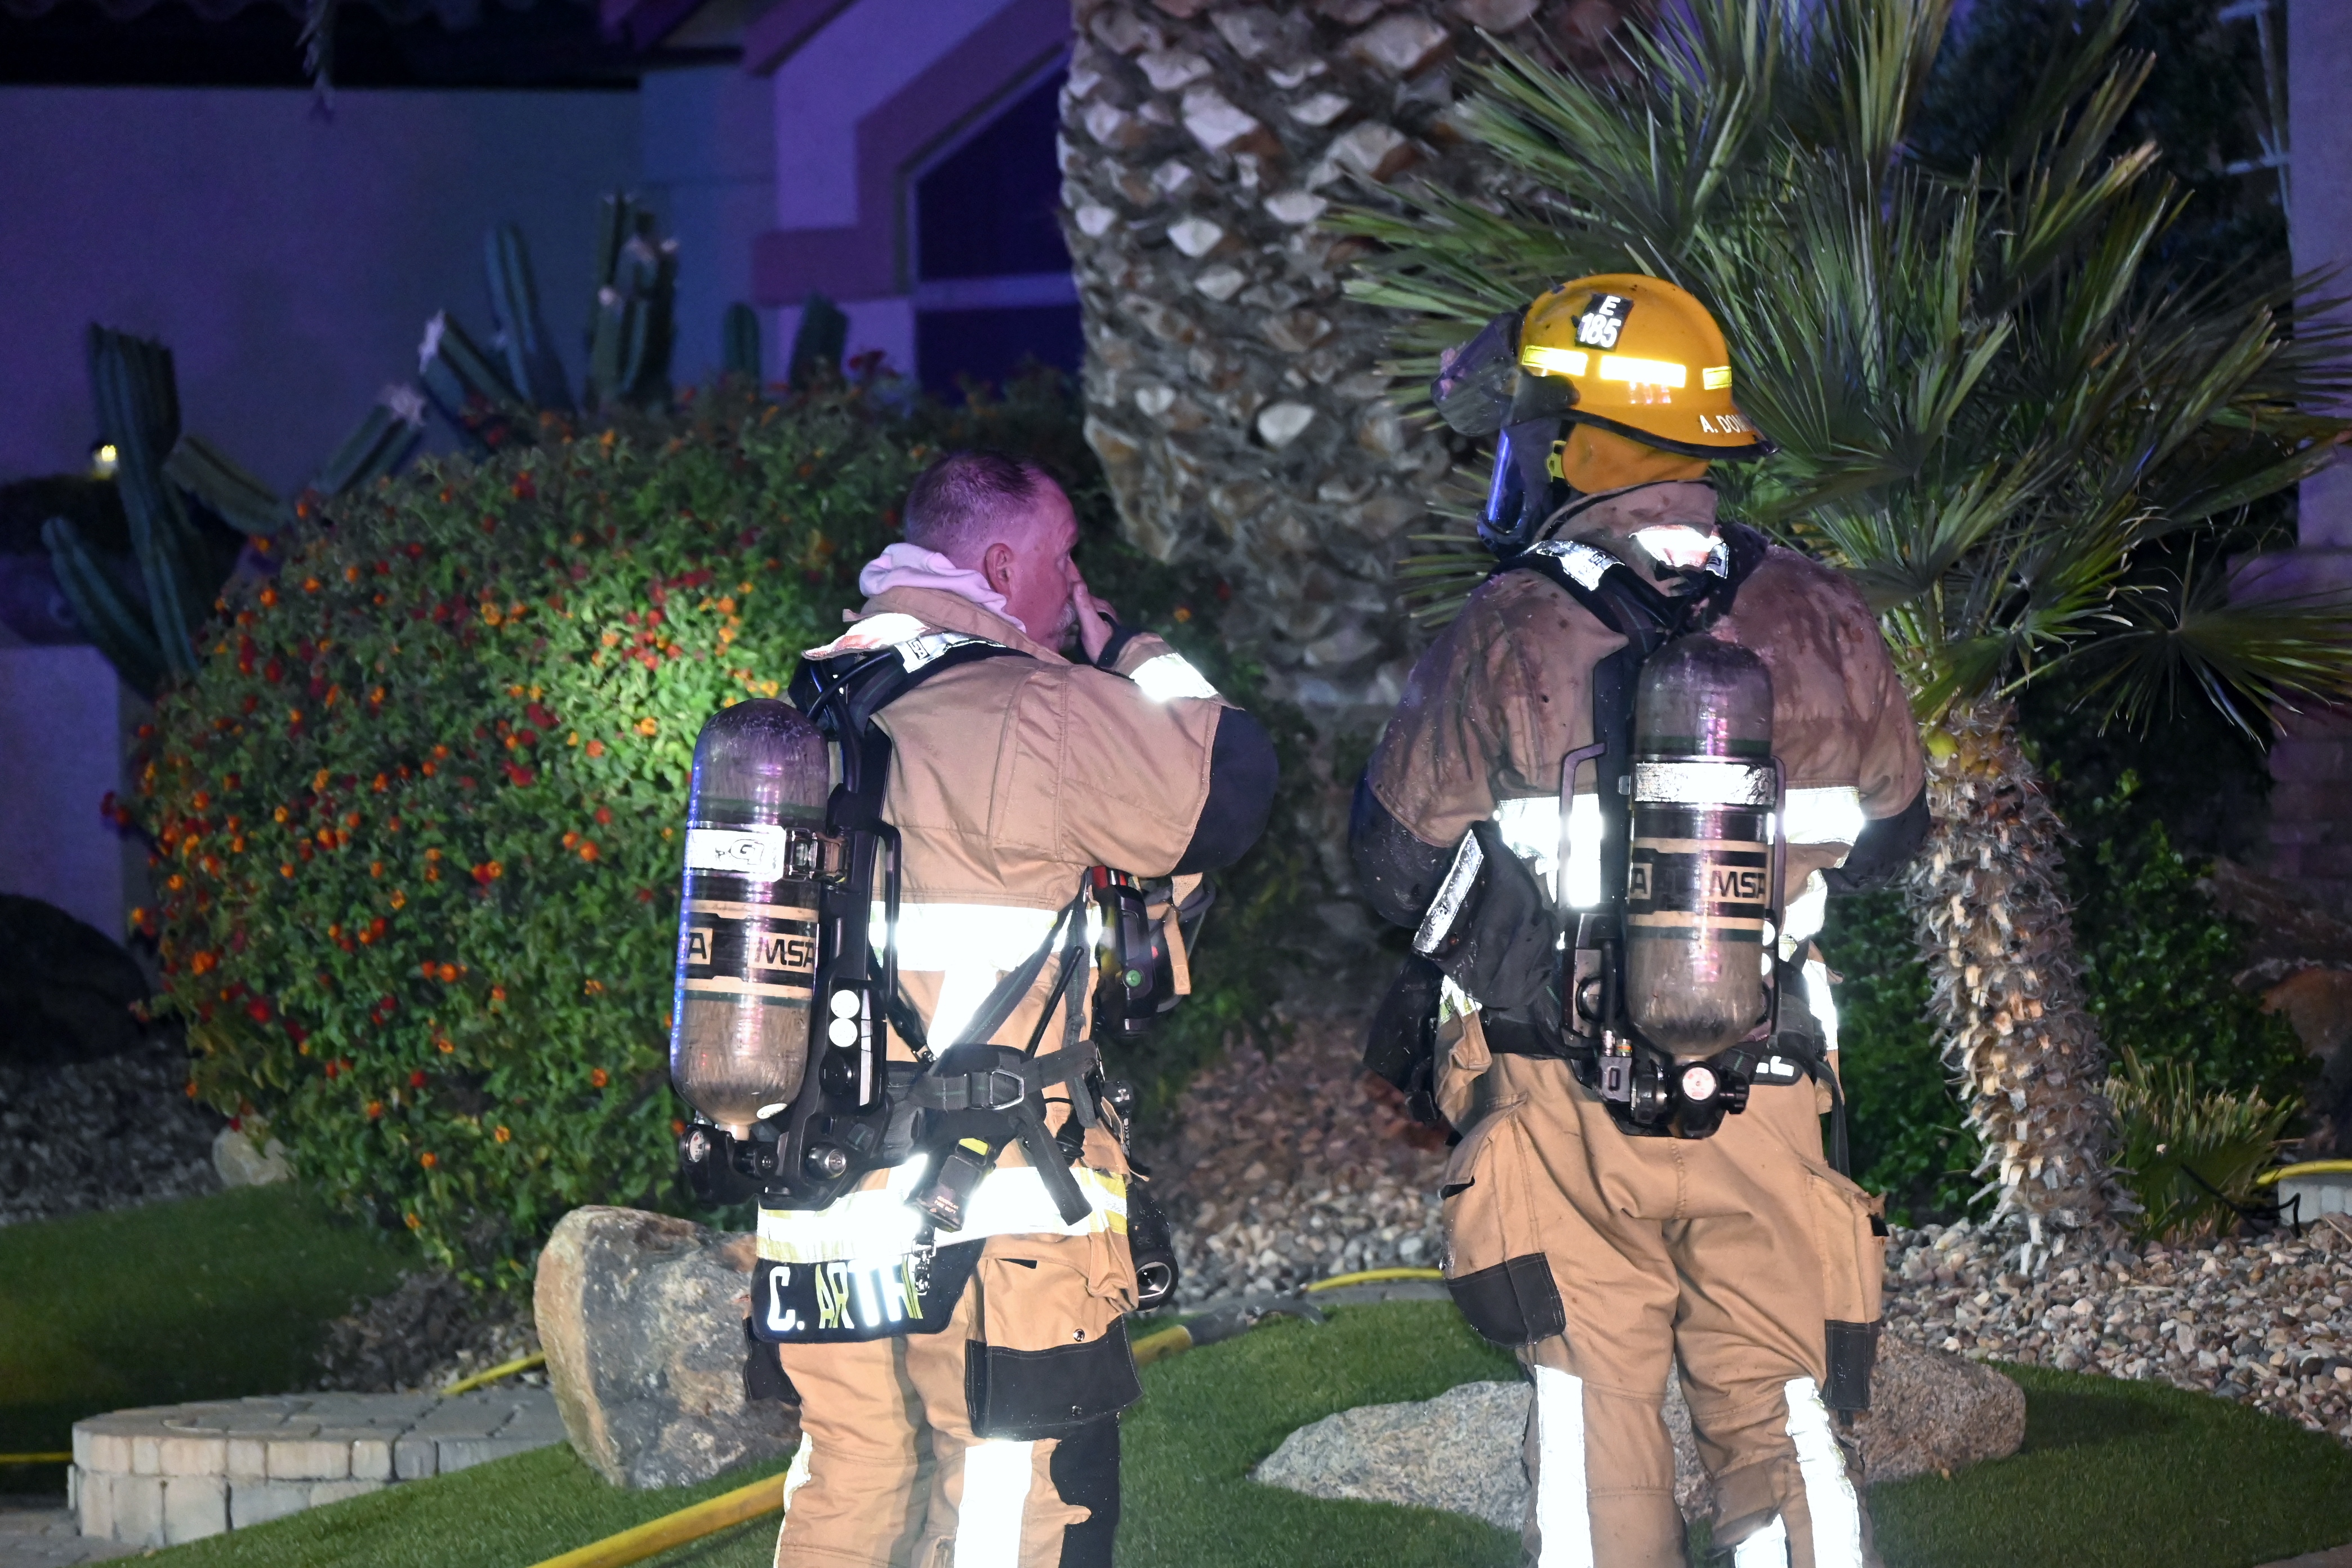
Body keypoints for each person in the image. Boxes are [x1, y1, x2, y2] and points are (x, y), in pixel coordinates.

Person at [1352, 275, 1927, 1568]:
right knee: (1783, 1418)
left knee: (1592, 1423)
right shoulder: (1825, 611)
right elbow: (1897, 833)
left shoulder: (1509, 622)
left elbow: (1391, 865)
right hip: (1768, 1081)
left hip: (1561, 1099)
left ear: (1576, 442)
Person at [764, 449, 1276, 1568]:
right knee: (1010, 1493)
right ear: (1002, 566)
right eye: (1064, 559)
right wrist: (1134, 653)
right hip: (995, 1200)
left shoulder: (809, 705)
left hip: (820, 1182)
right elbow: (1232, 779)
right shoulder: (1038, 708)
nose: (1072, 583)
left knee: (850, 1476)